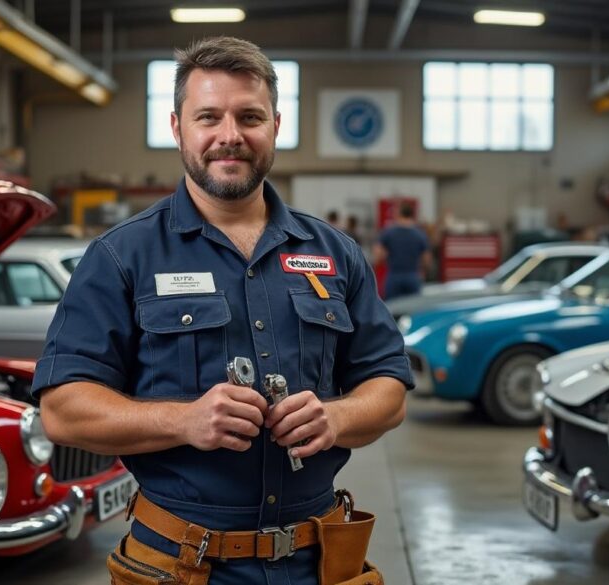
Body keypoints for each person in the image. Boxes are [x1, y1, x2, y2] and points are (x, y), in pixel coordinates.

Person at [32, 36, 412, 585]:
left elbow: (389, 387)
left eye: (249, 117)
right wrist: (183, 420)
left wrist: (337, 418)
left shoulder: (335, 254)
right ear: (177, 128)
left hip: (318, 561)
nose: (230, 135)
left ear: (276, 126)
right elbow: (63, 410)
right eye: (208, 116)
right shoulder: (121, 257)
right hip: (179, 564)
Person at [373, 203, 431, 299]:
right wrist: (423, 272)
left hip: (394, 276)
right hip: (413, 276)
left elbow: (378, 255)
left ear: (399, 214)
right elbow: (427, 259)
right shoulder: (420, 234)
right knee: (414, 306)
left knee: (392, 306)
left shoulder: (388, 232)